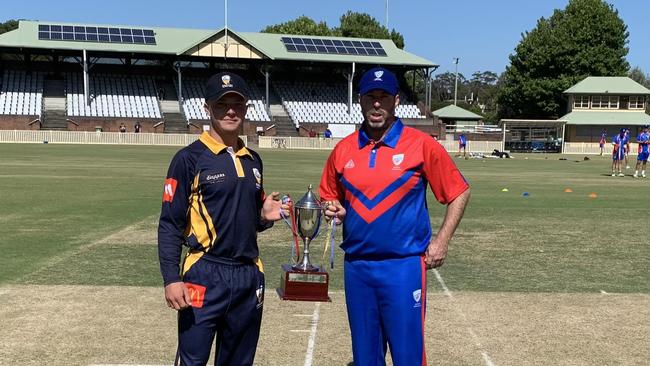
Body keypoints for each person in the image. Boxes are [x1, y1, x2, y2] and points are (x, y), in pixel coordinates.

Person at [319, 67, 471, 366]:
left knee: (408, 356)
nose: (377, 104)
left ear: (396, 101)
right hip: (358, 267)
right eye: (370, 97)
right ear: (360, 100)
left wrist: (442, 241)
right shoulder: (343, 149)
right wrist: (330, 208)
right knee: (365, 357)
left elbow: (459, 192)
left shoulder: (421, 144)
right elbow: (328, 195)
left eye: (384, 97)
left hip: (403, 267)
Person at [158, 71, 288, 366]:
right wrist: (171, 279)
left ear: (246, 109)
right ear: (207, 109)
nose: (230, 111)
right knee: (192, 361)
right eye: (221, 104)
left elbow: (247, 219)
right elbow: (170, 224)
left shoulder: (254, 160)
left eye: (237, 104)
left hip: (248, 274)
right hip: (204, 273)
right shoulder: (188, 159)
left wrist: (264, 217)